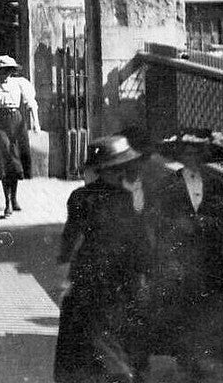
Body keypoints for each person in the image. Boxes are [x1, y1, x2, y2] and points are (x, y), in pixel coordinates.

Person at [143, 128, 223, 379]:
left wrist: (209, 223)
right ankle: (185, 359)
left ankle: (201, 357)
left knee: (206, 308)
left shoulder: (215, 185)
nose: (193, 156)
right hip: (181, 258)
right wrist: (179, 227)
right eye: (188, 152)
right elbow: (157, 219)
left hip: (208, 258)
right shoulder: (169, 184)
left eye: (198, 152)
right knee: (183, 307)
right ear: (180, 155)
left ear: (205, 155)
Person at [54, 135, 148, 383]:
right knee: (117, 323)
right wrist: (142, 270)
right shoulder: (126, 198)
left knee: (85, 325)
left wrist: (64, 259)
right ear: (116, 169)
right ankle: (121, 370)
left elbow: (71, 235)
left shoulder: (79, 196)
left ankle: (104, 372)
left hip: (89, 268)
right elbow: (137, 238)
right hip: (122, 269)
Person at [0, 55, 40, 217]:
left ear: (11, 71)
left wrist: (36, 123)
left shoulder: (20, 83)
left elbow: (31, 103)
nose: (4, 74)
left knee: (16, 160)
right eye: (1, 71)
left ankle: (15, 198)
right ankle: (7, 202)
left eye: (7, 71)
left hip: (16, 121)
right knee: (5, 158)